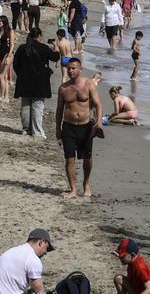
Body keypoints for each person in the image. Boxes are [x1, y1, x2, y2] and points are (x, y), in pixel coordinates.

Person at [55, 57, 104, 198]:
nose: (70, 70)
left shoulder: (88, 84)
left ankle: (86, 184)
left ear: (80, 69)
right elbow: (59, 110)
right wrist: (58, 130)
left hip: (86, 126)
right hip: (69, 127)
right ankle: (73, 189)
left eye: (73, 68)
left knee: (87, 158)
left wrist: (99, 122)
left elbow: (98, 104)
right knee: (69, 159)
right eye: (69, 68)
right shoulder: (63, 88)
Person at [13, 27, 58, 138]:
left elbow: (15, 64)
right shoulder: (43, 48)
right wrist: (56, 47)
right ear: (39, 36)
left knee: (26, 106)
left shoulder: (22, 48)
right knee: (37, 107)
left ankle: (26, 129)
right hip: (40, 82)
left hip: (24, 81)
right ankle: (36, 131)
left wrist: (21, 74)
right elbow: (55, 57)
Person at [0, 229, 54, 294]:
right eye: (46, 248)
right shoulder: (33, 258)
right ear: (41, 243)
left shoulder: (13, 251)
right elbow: (39, 291)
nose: (45, 252)